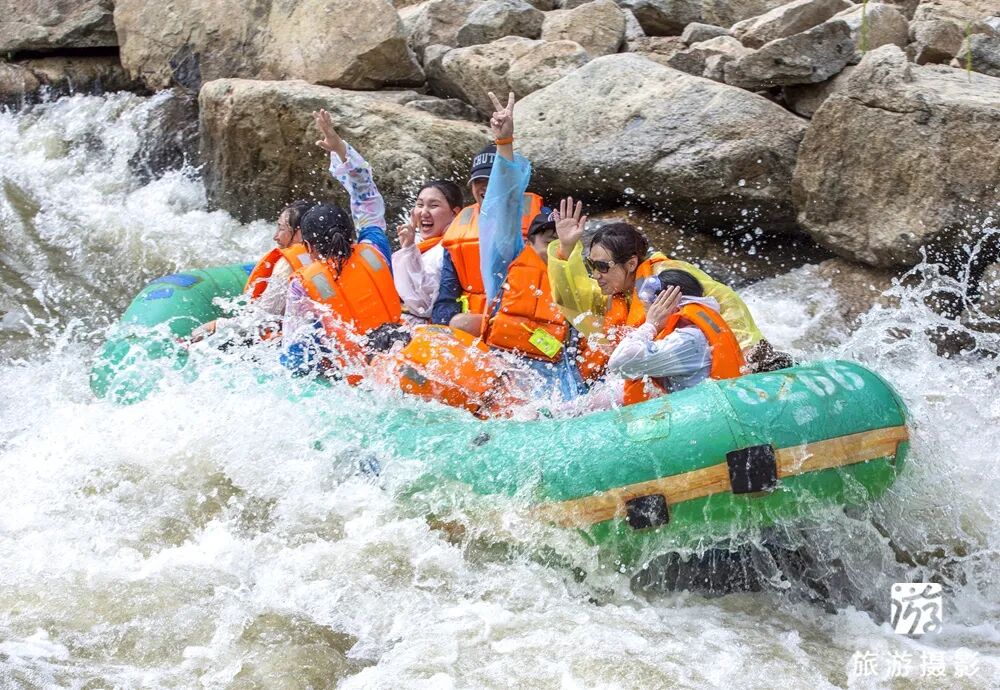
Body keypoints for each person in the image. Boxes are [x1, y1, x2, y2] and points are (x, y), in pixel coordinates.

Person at [549, 211, 765, 379]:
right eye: (591, 265)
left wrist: (747, 352)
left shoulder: (665, 278)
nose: (595, 275)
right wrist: (566, 249)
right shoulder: (615, 292)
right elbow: (573, 299)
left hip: (697, 373)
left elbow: (724, 302)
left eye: (602, 266)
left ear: (632, 263)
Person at [476, 91, 587, 400]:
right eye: (550, 241)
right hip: (507, 373)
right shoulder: (506, 261)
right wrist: (505, 144)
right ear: (528, 240)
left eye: (563, 242)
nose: (556, 249)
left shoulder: (579, 276)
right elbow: (505, 205)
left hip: (561, 383)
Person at [281, 110, 400, 376]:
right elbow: (366, 196)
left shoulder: (302, 284)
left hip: (350, 375)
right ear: (351, 234)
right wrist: (340, 148)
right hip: (395, 357)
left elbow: (292, 346)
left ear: (308, 247)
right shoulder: (375, 249)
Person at [430, 142, 545, 336]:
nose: (484, 186)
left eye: (492, 179)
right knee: (454, 325)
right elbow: (446, 297)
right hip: (476, 328)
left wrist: (504, 140)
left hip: (529, 327)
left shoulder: (541, 220)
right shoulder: (459, 229)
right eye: (478, 181)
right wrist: (444, 330)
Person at [608, 269, 744, 404]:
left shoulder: (689, 339)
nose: (647, 314)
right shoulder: (693, 331)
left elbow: (619, 364)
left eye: (650, 309)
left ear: (668, 306)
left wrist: (651, 324)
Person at [190, 198, 314, 342]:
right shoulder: (329, 256)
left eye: (281, 229)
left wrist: (216, 326)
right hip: (325, 337)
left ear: (298, 233)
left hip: (290, 342)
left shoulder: (286, 265)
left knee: (203, 335)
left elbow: (262, 319)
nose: (275, 236)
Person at [391, 180, 464, 324]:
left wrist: (409, 250)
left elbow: (425, 305)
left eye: (433, 205)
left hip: (427, 330)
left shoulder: (450, 249)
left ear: (455, 213)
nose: (424, 212)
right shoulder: (418, 242)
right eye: (419, 205)